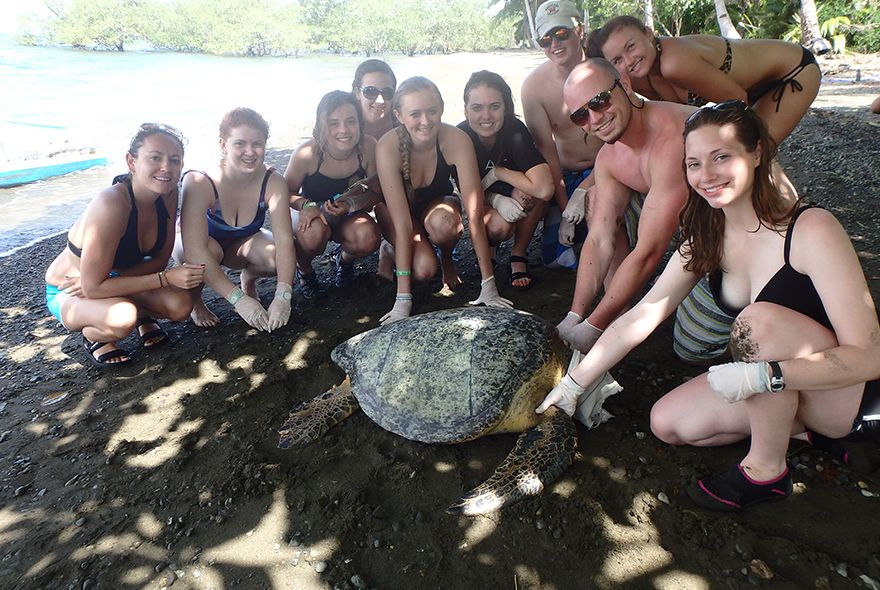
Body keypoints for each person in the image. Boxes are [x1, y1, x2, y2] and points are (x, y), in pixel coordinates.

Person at [538, 99, 880, 510]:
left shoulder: (811, 229)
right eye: (694, 163)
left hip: (846, 396)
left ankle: (766, 470)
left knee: (758, 324)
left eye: (722, 157)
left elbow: (869, 358)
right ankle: (806, 433)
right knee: (667, 422)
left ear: (756, 154)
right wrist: (575, 384)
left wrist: (762, 378)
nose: (707, 175)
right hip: (782, 385)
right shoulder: (708, 234)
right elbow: (647, 311)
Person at [554, 59, 694, 353]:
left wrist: (592, 327)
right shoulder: (608, 157)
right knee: (595, 200)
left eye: (600, 101)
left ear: (626, 85)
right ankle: (617, 309)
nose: (595, 119)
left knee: (691, 344)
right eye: (581, 115)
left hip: (735, 226)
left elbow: (649, 251)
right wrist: (574, 316)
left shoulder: (672, 138)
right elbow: (599, 238)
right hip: (677, 212)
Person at [45, 124, 204, 368]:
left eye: (175, 160)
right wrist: (166, 278)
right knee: (121, 318)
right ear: (131, 162)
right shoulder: (112, 203)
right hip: (70, 289)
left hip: (106, 282)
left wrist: (109, 280)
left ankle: (142, 314)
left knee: (181, 306)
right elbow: (93, 287)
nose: (167, 168)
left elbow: (159, 260)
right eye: (155, 158)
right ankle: (94, 337)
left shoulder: (168, 193)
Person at [375, 76, 513, 324]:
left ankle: (447, 258)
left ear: (441, 109)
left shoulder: (456, 139)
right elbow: (403, 224)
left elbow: (473, 210)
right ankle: (390, 248)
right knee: (425, 270)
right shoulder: (387, 147)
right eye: (415, 114)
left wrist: (488, 283)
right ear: (398, 115)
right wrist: (403, 299)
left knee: (445, 224)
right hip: (399, 216)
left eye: (432, 111)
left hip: (436, 207)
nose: (425, 121)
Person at [586, 16, 820, 148]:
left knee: (755, 153)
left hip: (792, 73)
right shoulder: (636, 76)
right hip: (751, 89)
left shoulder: (673, 62)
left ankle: (789, 224)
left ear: (648, 34)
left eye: (631, 46)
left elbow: (738, 101)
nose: (629, 61)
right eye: (617, 59)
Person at [176, 108, 296, 332]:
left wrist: (283, 295)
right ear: (223, 145)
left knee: (274, 257)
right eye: (240, 143)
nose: (250, 152)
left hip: (241, 245)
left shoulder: (273, 180)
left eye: (257, 144)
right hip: (198, 248)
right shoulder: (200, 181)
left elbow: (284, 241)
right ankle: (196, 303)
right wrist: (238, 300)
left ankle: (248, 279)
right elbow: (194, 250)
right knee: (207, 253)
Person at [521, 0, 604, 267]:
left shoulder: (604, 69)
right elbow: (546, 151)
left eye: (561, 33)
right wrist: (566, 205)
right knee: (558, 259)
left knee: (603, 237)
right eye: (545, 40)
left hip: (610, 169)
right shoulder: (533, 87)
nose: (554, 44)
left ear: (579, 31)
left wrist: (585, 190)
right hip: (565, 175)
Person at [458, 70, 554, 290]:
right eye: (477, 108)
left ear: (505, 108)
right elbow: (467, 195)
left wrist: (497, 173)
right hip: (480, 196)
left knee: (532, 194)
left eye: (494, 106)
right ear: (465, 110)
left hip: (511, 185)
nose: (486, 116)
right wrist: (496, 199)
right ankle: (488, 251)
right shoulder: (460, 137)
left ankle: (518, 254)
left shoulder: (514, 130)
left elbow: (545, 188)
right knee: (499, 227)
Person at [284, 91, 382, 294]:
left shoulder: (369, 147)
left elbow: (376, 192)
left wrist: (350, 205)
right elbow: (284, 193)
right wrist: (306, 205)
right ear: (321, 126)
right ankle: (305, 271)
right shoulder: (307, 154)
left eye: (350, 121)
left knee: (368, 237)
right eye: (333, 123)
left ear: (360, 123)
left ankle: (344, 260)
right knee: (312, 235)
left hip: (347, 212)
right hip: (311, 212)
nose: (343, 130)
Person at [352, 59, 397, 141]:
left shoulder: (405, 125)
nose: (380, 100)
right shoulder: (344, 128)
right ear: (357, 93)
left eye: (387, 92)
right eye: (371, 92)